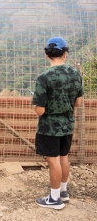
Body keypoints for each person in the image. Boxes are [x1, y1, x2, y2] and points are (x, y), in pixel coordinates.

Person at [32, 37, 83, 210]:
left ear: (46, 54)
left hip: (49, 128)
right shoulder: (76, 74)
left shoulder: (44, 78)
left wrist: (40, 107)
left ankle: (54, 200)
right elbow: (78, 103)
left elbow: (40, 110)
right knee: (64, 158)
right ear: (65, 53)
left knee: (53, 161)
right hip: (68, 124)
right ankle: (63, 192)